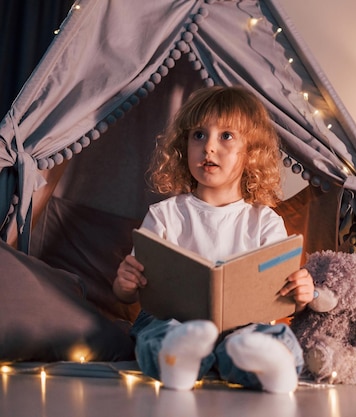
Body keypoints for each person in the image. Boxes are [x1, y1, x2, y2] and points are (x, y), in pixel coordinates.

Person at [112, 85, 315, 393]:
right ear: (185, 145)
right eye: (199, 135)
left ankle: (272, 368)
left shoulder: (264, 221)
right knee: (154, 331)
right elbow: (129, 294)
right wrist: (124, 284)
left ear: (251, 152)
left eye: (226, 136)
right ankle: (178, 361)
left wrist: (301, 296)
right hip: (175, 323)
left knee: (266, 337)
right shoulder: (165, 214)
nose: (208, 147)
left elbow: (281, 299)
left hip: (244, 328)